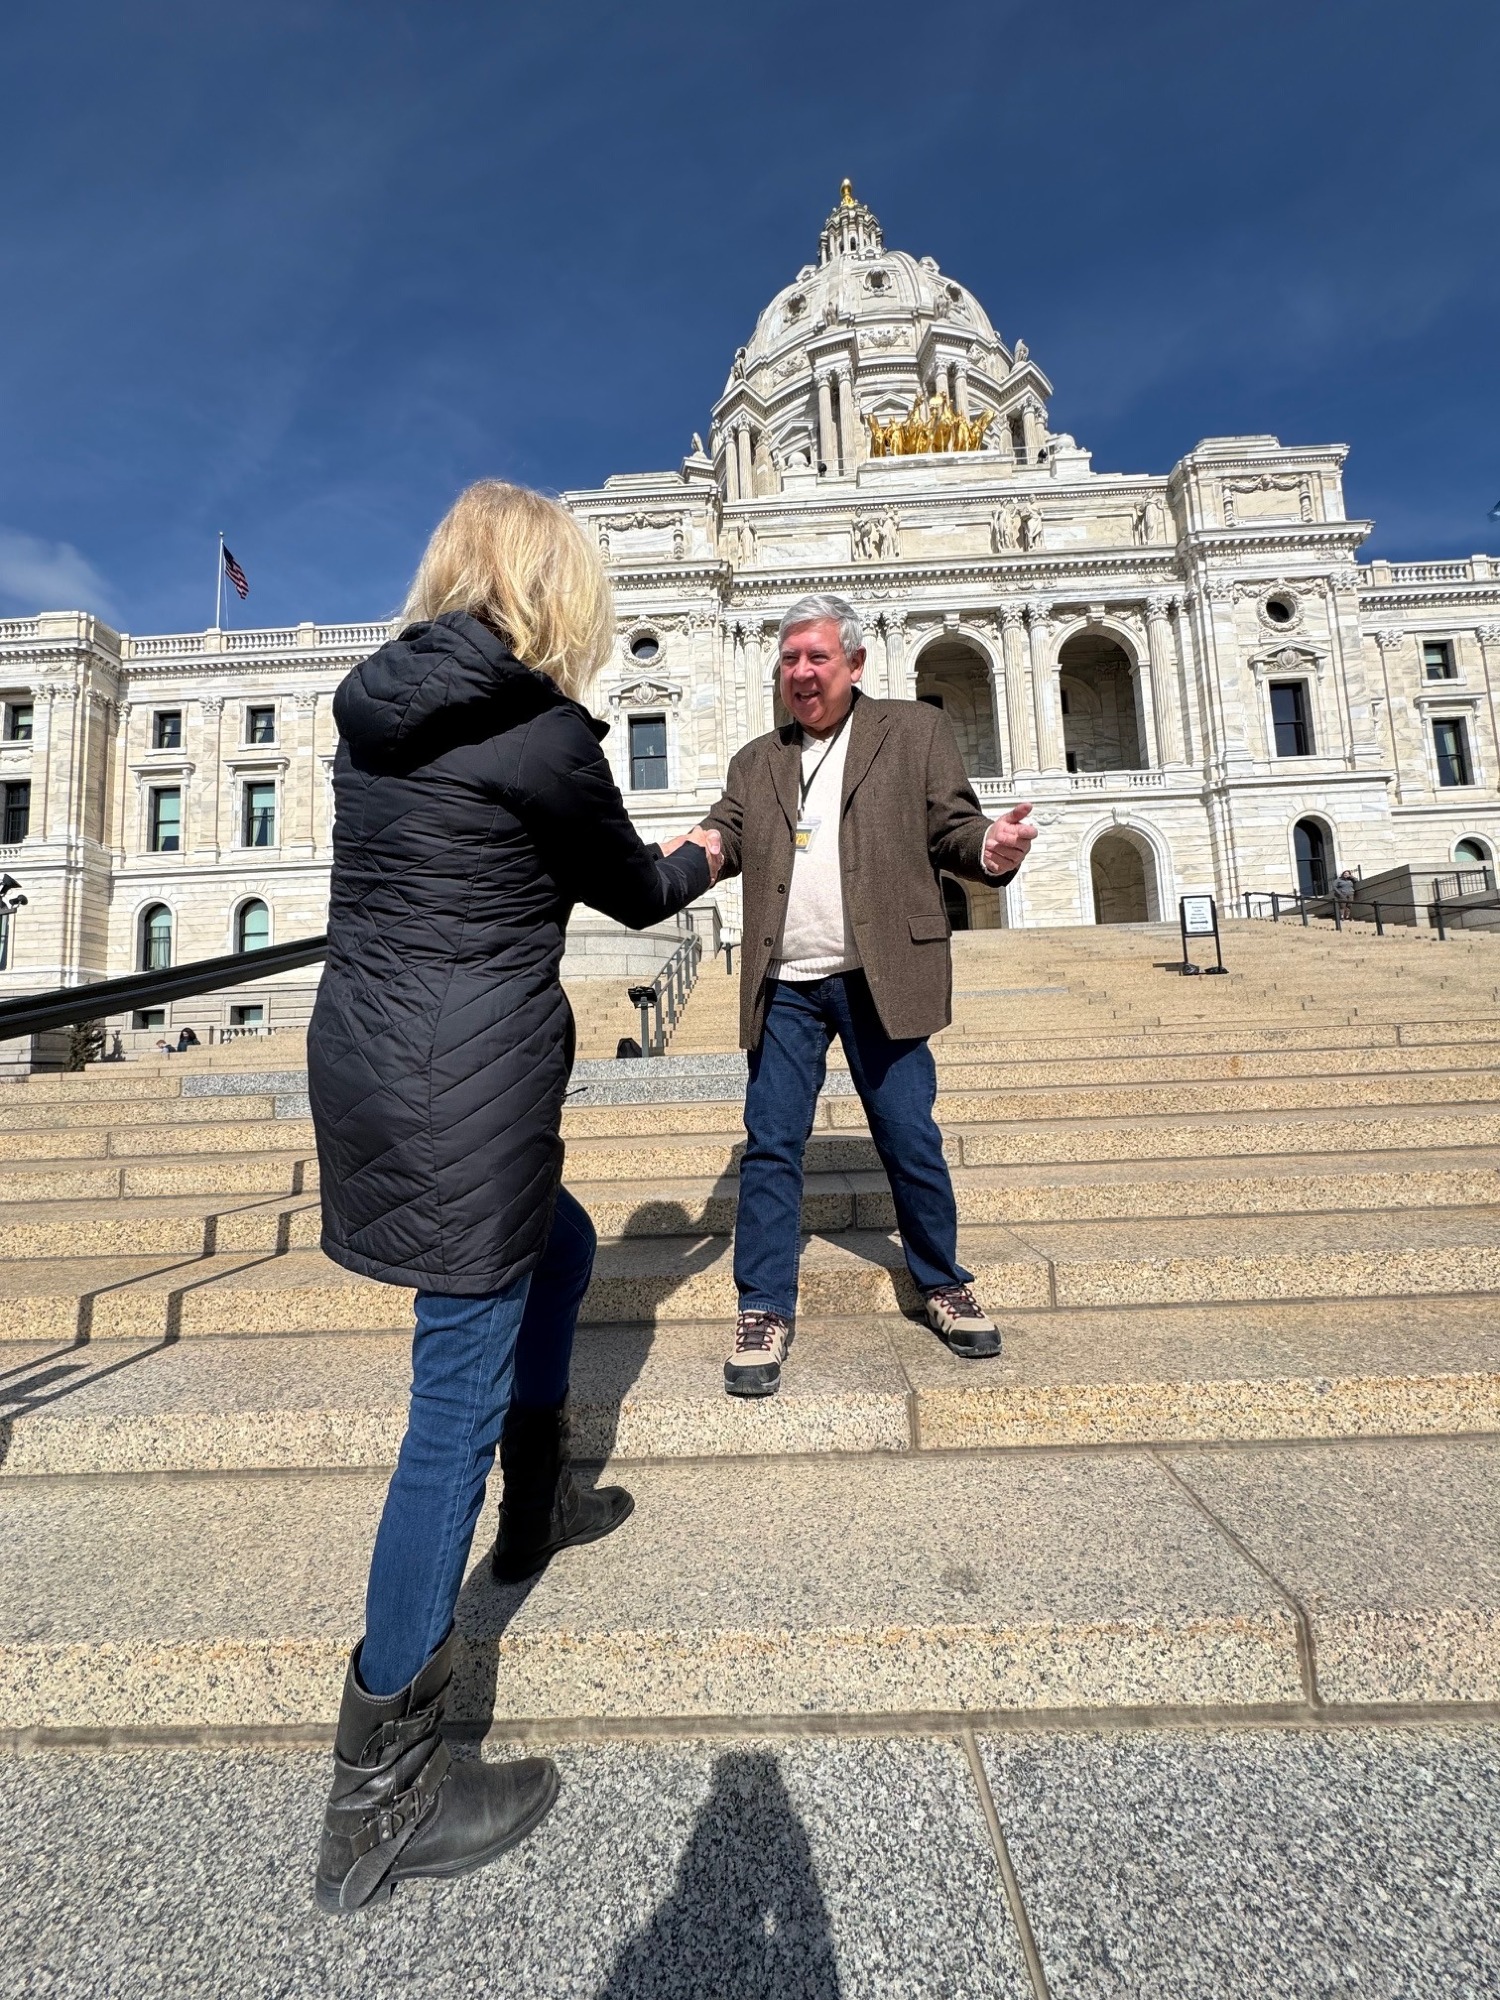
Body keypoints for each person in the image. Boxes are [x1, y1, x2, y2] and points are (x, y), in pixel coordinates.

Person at [306, 480, 718, 1914]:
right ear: (556, 586)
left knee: (575, 1240)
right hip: (467, 1082)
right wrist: (714, 850)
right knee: (445, 1418)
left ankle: (537, 1507)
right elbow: (635, 893)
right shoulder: (542, 733)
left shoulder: (374, 714)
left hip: (371, 1059)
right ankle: (381, 1799)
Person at [699, 593, 1037, 1398]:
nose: (801, 673)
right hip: (785, 983)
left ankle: (942, 1281)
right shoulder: (757, 760)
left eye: (817, 657)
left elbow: (954, 829)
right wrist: (697, 848)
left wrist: (991, 848)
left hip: (881, 973)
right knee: (772, 1144)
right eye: (789, 660)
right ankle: (764, 1305)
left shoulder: (913, 731)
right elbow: (728, 832)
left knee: (909, 1135)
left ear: (854, 664)